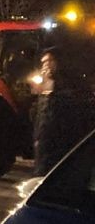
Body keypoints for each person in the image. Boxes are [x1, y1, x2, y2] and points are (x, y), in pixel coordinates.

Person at [33, 46, 95, 176]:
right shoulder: (47, 89)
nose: (45, 66)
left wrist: (49, 94)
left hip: (62, 157)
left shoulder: (73, 89)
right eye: (43, 62)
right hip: (45, 155)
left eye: (49, 61)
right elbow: (40, 121)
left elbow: (62, 119)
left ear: (59, 62)